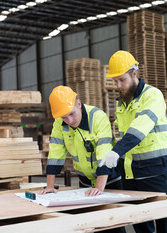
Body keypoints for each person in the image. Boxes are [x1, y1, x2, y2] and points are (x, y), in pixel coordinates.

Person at [99, 50, 167, 233]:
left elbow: (139, 129)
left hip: (155, 172)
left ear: (134, 74)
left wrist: (115, 152)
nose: (118, 85)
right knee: (140, 224)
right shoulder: (123, 103)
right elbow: (123, 137)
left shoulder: (152, 96)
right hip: (131, 173)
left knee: (165, 223)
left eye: (122, 80)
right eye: (115, 81)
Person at [39, 85, 125, 233]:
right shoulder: (60, 123)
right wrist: (50, 186)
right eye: (64, 117)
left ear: (78, 103)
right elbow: (55, 154)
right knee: (89, 225)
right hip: (84, 182)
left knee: (111, 226)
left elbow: (104, 155)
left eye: (72, 114)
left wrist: (99, 188)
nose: (69, 120)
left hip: (108, 180)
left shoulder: (97, 117)